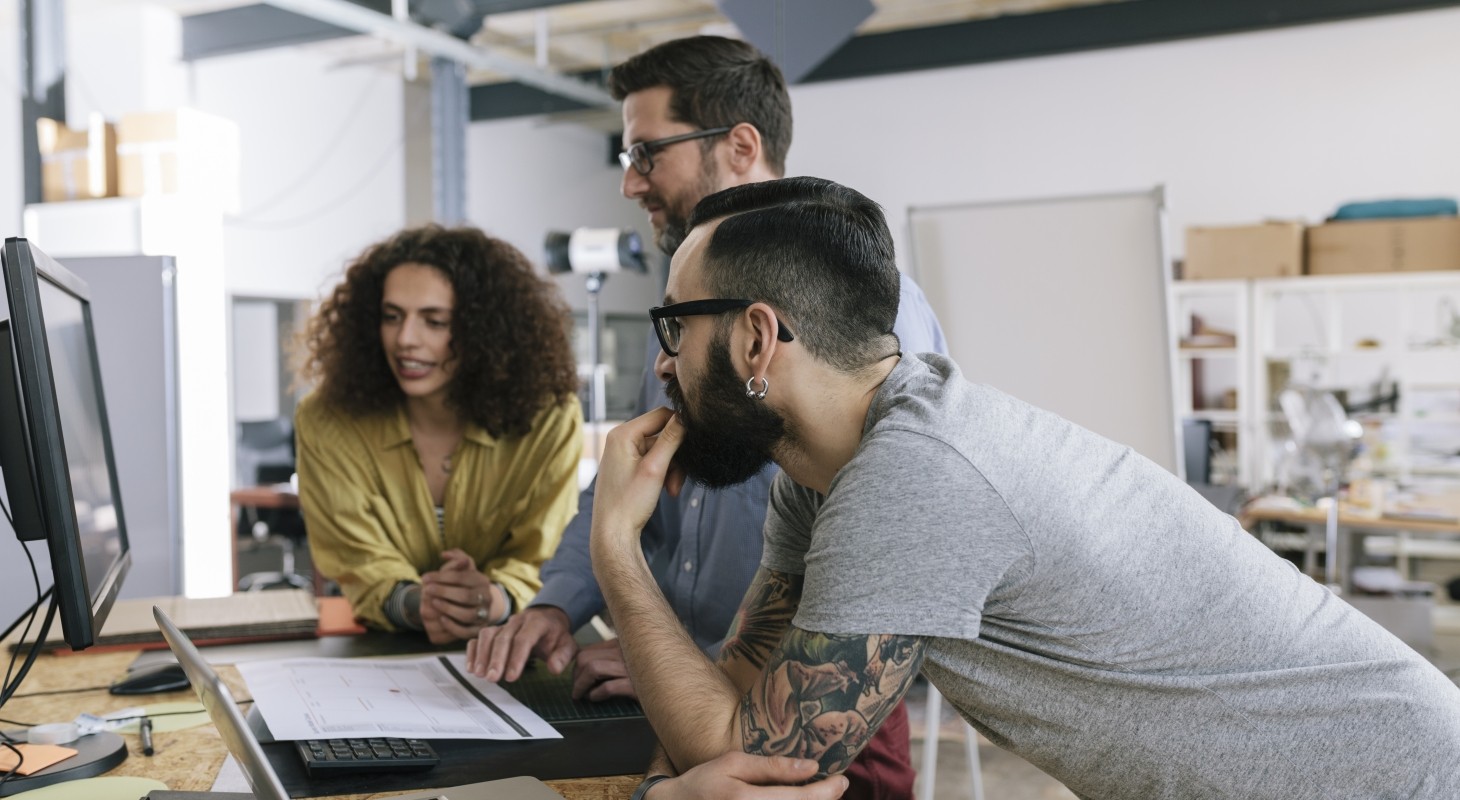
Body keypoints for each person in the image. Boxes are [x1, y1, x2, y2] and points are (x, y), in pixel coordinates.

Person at [522, 175, 1460, 799]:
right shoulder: (824, 472)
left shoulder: (915, 473)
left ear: (757, 339)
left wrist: (616, 551)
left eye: (674, 325)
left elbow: (757, 761)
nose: (662, 362)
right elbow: (734, 702)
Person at [469, 35, 941, 800]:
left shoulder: (873, 320)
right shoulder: (699, 314)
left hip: (812, 719)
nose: (630, 183)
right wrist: (565, 602)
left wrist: (681, 661)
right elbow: (638, 470)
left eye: (646, 153)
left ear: (741, 145)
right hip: (690, 697)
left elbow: (872, 577)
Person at [296, 224, 582, 645]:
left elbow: (542, 555)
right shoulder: (327, 420)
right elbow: (359, 561)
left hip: (516, 644)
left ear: (483, 331)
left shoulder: (550, 418)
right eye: (392, 317)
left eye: (435, 321)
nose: (405, 340)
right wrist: (418, 604)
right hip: (383, 652)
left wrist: (492, 600)